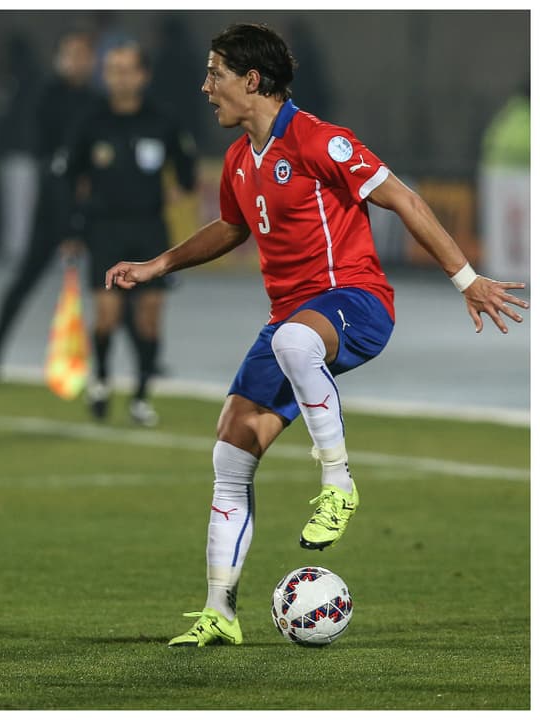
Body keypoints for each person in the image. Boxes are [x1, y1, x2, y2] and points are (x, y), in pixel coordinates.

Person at [104, 23, 528, 648]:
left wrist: (466, 279)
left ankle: (338, 483)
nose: (205, 86)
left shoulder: (319, 141)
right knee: (231, 453)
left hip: (356, 300)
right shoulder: (239, 159)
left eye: (215, 74)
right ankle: (220, 611)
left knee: (293, 343)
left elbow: (405, 199)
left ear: (252, 80)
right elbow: (231, 228)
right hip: (291, 320)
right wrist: (158, 264)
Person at [70, 39, 196, 425]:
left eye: (126, 70)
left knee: (149, 318)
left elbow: (186, 172)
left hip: (149, 229)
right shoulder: (91, 120)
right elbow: (71, 175)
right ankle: (101, 380)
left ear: (143, 76)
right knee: (107, 316)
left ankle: (141, 396)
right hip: (105, 229)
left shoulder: (163, 120)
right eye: (112, 71)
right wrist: (73, 228)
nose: (119, 78)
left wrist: (172, 192)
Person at [0, 28, 100, 381]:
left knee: (113, 283)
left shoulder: (97, 102)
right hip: (53, 206)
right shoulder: (46, 96)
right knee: (25, 280)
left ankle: (135, 363)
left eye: (84, 55)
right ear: (60, 59)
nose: (78, 62)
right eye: (72, 55)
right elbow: (45, 157)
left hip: (90, 207)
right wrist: (66, 223)